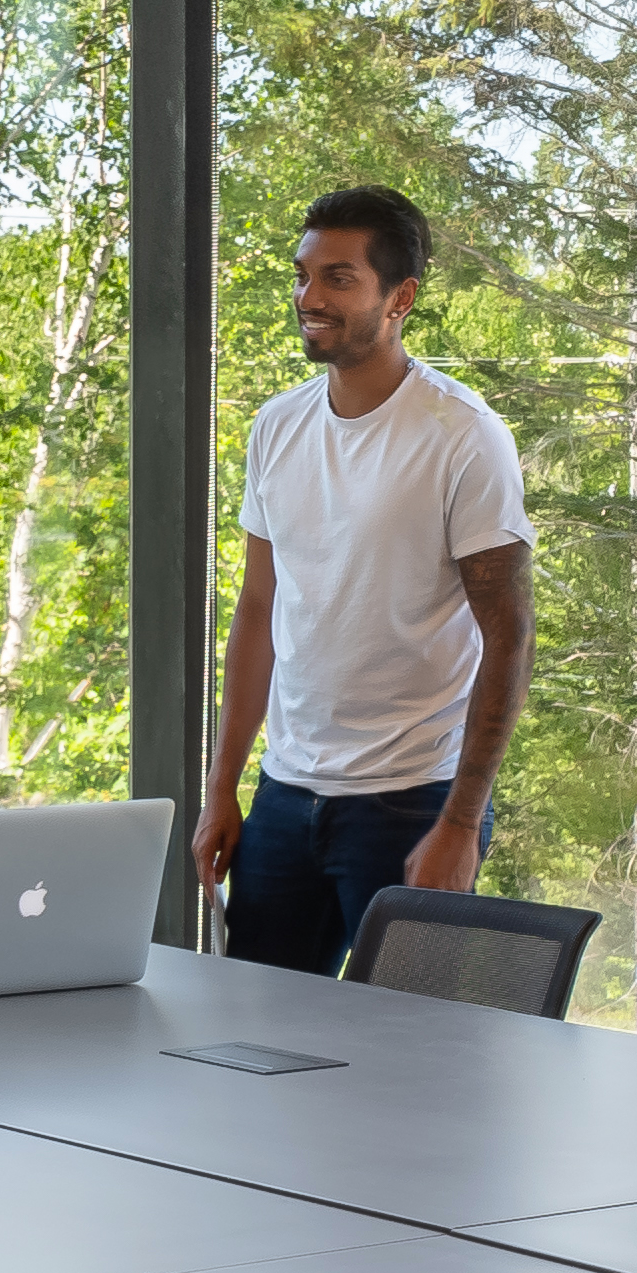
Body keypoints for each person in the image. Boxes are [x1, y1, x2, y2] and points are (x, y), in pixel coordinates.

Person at [208, 181, 535, 970]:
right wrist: (224, 787)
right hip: (286, 797)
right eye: (303, 274)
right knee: (256, 1043)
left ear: (401, 299)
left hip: (413, 800)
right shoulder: (277, 426)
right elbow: (259, 609)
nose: (307, 297)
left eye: (338, 279)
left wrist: (460, 822)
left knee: (415, 1063)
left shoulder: (463, 435)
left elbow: (509, 637)